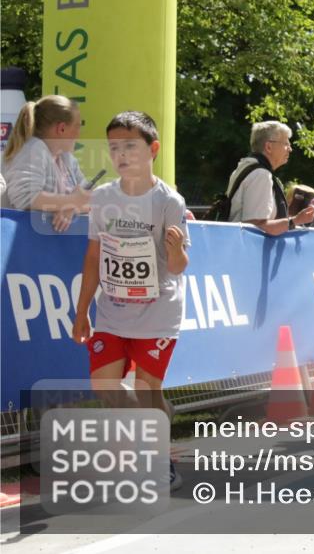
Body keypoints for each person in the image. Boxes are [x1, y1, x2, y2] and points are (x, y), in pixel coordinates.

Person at [71, 111, 190, 491]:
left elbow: (180, 264)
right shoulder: (104, 198)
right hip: (111, 311)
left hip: (158, 312)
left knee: (146, 390)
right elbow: (93, 256)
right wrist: (82, 310)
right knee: (105, 388)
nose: (121, 155)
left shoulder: (167, 200)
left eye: (130, 147)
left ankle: (158, 461)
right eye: (114, 148)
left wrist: (173, 250)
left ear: (153, 149)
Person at [1, 95, 91, 232]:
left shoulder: (66, 159)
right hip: (19, 246)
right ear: (61, 128)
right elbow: (25, 198)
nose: (79, 133)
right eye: (78, 126)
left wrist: (71, 207)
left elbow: (90, 199)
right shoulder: (33, 149)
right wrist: (70, 202)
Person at [225, 121, 314, 234]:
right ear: (268, 147)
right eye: (286, 144)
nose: (290, 149)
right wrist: (296, 221)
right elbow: (256, 228)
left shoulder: (247, 167)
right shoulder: (261, 175)